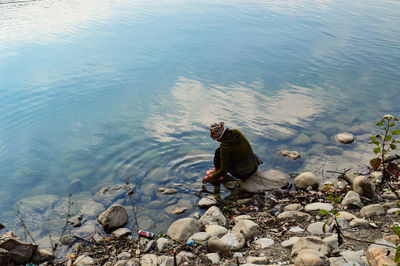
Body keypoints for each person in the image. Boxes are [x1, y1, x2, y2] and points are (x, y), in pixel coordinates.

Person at [202, 122, 262, 187]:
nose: (216, 140)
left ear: (219, 137)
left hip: (243, 174)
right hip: (254, 166)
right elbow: (237, 151)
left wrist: (209, 177)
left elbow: (224, 170)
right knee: (229, 153)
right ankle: (217, 170)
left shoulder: (225, 147)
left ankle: (217, 173)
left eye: (215, 138)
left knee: (218, 151)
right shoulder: (237, 132)